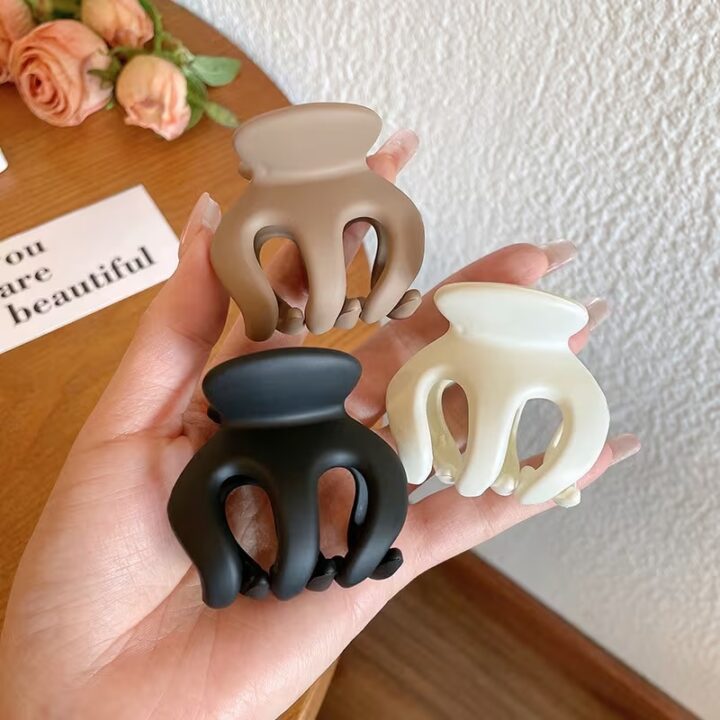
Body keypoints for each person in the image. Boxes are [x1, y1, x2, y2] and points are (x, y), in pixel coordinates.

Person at [0, 130, 639, 720]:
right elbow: (363, 462)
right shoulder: (315, 433)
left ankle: (325, 554)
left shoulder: (398, 401)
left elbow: (378, 456)